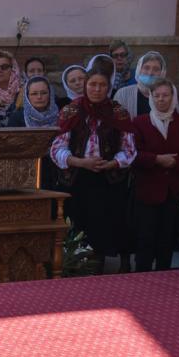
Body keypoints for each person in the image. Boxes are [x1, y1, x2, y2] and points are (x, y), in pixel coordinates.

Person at [51, 61, 137, 272]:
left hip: (108, 179)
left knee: (104, 223)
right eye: (92, 84)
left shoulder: (118, 112)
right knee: (79, 223)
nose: (97, 89)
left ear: (109, 88)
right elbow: (57, 148)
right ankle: (78, 266)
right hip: (77, 178)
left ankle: (99, 265)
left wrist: (112, 163)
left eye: (102, 85)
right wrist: (80, 162)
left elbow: (129, 149)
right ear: (85, 86)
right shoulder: (71, 111)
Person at [132, 79, 179, 272]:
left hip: (173, 191)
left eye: (166, 95)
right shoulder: (139, 123)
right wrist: (156, 159)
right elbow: (133, 154)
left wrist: (176, 161)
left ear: (173, 97)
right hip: (147, 190)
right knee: (145, 238)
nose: (161, 99)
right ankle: (141, 277)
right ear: (151, 97)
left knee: (167, 239)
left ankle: (164, 276)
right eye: (157, 95)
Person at [114, 51, 167, 118]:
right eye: (146, 68)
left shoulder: (168, 95)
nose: (150, 73)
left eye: (156, 69)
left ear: (162, 73)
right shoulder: (122, 94)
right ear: (139, 70)